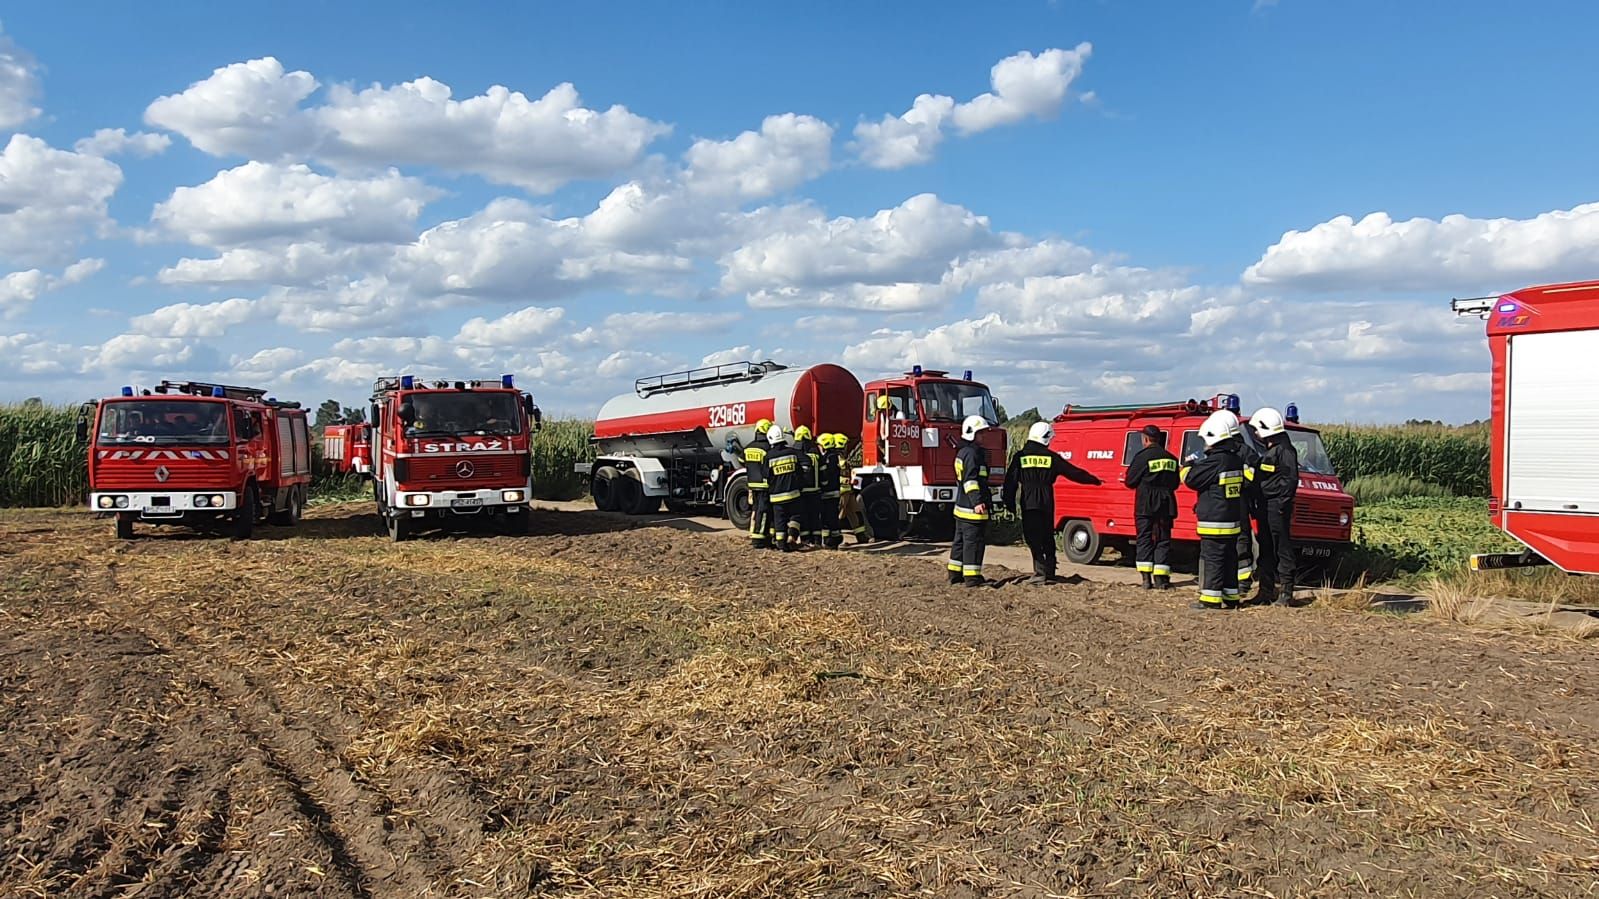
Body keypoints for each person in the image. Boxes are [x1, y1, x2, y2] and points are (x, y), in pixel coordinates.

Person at [1002, 420, 1101, 584]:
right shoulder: (1051, 457)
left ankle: (1040, 572)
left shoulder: (1020, 457)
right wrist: (1094, 480)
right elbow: (1073, 472)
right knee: (1047, 535)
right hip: (1047, 500)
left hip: (1029, 501)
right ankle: (1050, 570)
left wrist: (1009, 503)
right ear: (1046, 438)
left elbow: (1010, 482)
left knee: (1033, 536)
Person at [1180, 410, 1247, 610]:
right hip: (1231, 518)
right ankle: (1231, 596)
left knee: (1213, 558)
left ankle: (1210, 599)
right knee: (1230, 559)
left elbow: (1191, 479)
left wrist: (1187, 465)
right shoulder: (1235, 459)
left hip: (1215, 520)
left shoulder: (1216, 461)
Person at [1248, 407, 1301, 605]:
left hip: (1276, 506)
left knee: (1281, 549)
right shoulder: (1272, 450)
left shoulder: (1285, 451)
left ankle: (1286, 593)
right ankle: (1265, 591)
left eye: (1257, 429)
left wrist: (1281, 504)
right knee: (1266, 549)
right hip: (1265, 506)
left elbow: (1290, 480)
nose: (1255, 433)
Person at [1123, 424, 1180, 590]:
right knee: (1163, 539)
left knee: (1144, 538)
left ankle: (1146, 580)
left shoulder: (1142, 457)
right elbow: (1175, 483)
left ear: (1145, 439)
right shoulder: (1171, 458)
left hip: (1145, 504)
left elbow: (1130, 481)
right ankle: (1161, 580)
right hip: (1166, 503)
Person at [949, 415, 995, 587]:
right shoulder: (972, 454)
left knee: (960, 542)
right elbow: (970, 481)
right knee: (973, 544)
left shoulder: (963, 452)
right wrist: (977, 502)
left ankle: (955, 573)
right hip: (971, 509)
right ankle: (972, 578)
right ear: (971, 434)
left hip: (961, 507)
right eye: (980, 433)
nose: (983, 436)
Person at [765, 426, 806, 552]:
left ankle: (781, 544)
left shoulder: (769, 456)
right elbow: (805, 464)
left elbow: (765, 475)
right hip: (793, 494)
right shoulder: (792, 452)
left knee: (779, 520)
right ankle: (792, 536)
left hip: (776, 496)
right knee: (796, 516)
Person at [832, 433, 872, 545]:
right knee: (839, 515)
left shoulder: (842, 459)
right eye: (845, 445)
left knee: (855, 513)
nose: (847, 447)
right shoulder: (835, 460)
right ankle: (834, 538)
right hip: (841, 492)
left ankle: (861, 535)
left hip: (849, 492)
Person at [742, 418, 773, 549]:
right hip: (764, 485)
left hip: (752, 485)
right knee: (764, 511)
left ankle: (753, 533)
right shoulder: (767, 448)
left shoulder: (748, 447)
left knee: (755, 510)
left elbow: (742, 462)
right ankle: (759, 538)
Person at [794, 425, 821, 546]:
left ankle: (805, 540)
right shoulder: (816, 453)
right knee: (815, 517)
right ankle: (817, 540)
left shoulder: (796, 454)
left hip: (802, 492)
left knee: (804, 517)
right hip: (815, 491)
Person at [818, 433, 843, 548]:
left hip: (828, 493)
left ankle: (829, 541)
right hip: (835, 492)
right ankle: (834, 539)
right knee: (833, 517)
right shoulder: (835, 456)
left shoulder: (828, 458)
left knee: (826, 518)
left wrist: (822, 485)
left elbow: (825, 476)